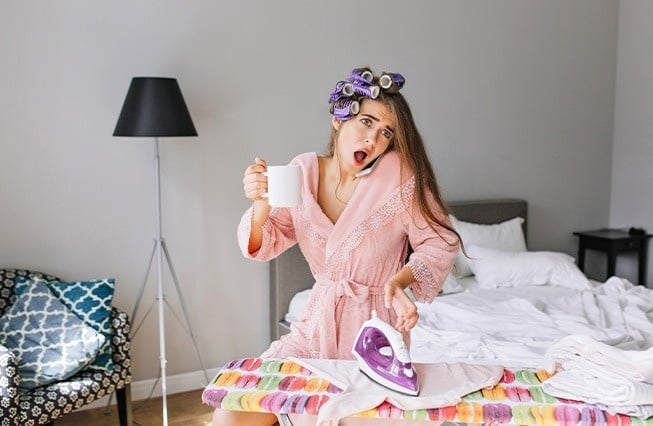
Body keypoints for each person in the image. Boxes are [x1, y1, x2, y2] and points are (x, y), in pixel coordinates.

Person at [212, 67, 460, 426]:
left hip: (374, 340)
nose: (373, 139)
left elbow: (440, 242)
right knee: (233, 411)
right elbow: (262, 245)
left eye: (385, 132)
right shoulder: (303, 172)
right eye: (366, 122)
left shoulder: (398, 175)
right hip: (314, 329)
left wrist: (398, 281)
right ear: (338, 118)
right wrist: (262, 203)